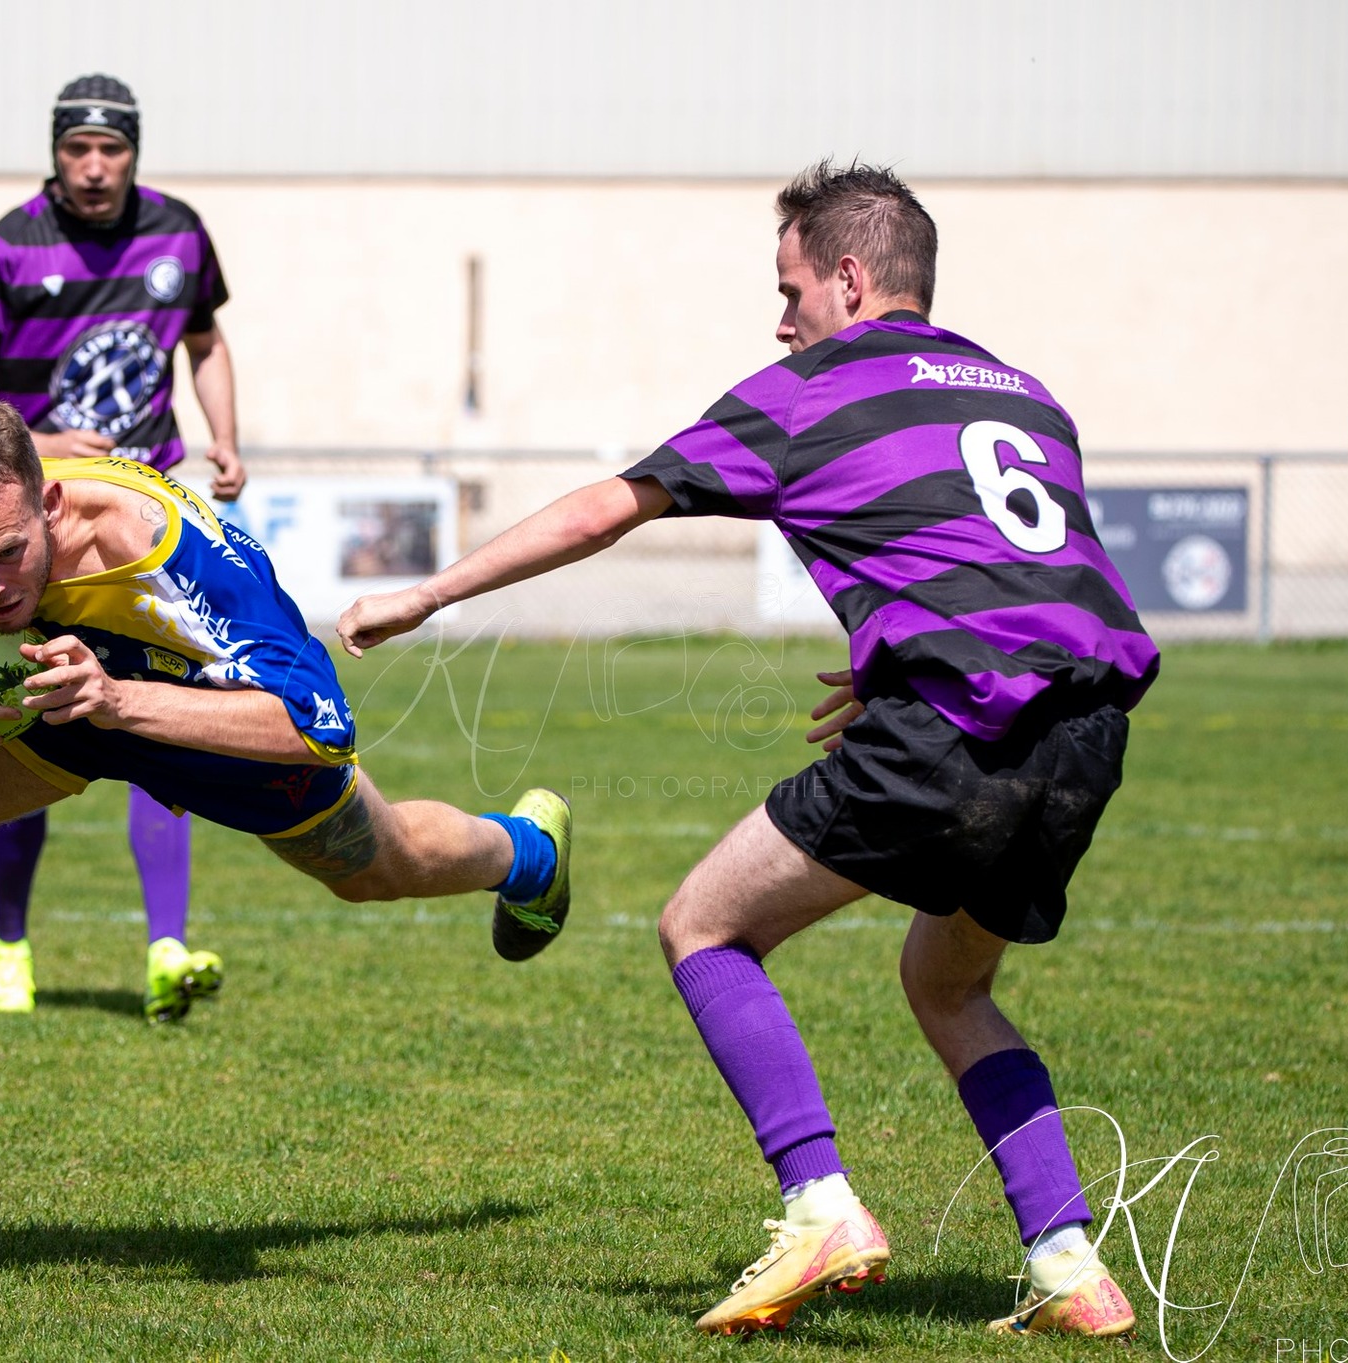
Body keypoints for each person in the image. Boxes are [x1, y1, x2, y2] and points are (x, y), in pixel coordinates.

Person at [337, 161, 1157, 1338]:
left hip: (951, 728)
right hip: (1085, 733)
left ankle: (818, 1203)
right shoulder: (1024, 393)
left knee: (701, 925)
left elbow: (604, 507)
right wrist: (887, 662)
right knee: (949, 982)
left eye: (788, 290)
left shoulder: (809, 388)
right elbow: (1008, 561)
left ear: (849, 276)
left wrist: (425, 597)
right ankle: (1068, 1259)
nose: (779, 322)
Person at [0, 392, 571, 1279]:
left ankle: (527, 853)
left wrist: (120, 700)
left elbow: (322, 725)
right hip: (48, 703)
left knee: (377, 863)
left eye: (9, 554)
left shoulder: (160, 548)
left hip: (205, 712)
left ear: (48, 502)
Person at [0, 74, 250, 1021]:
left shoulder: (179, 232)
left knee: (163, 715)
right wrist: (42, 446)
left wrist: (226, 433)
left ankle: (165, 946)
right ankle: (9, 947)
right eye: (78, 150)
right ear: (55, 152)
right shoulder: (9, 248)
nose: (95, 167)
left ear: (134, 152)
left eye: (111, 150)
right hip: (44, 535)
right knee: (32, 722)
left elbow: (205, 339)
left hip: (150, 528)